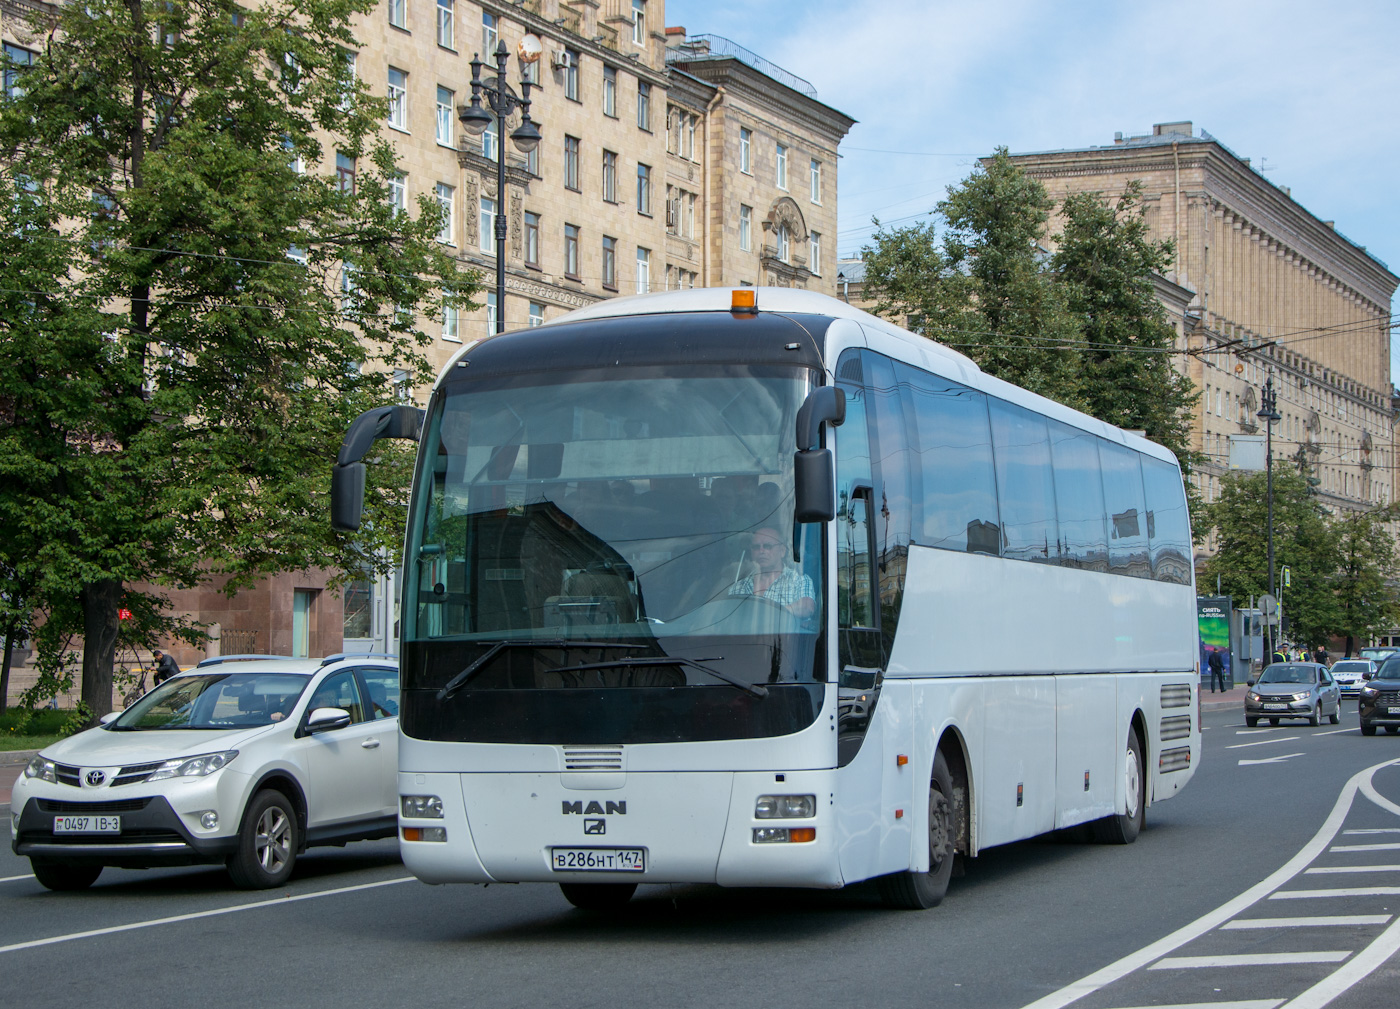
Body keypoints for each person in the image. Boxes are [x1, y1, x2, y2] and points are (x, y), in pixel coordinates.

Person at [729, 526, 815, 618]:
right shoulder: (739, 587)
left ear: (782, 551)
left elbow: (807, 608)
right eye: (756, 547)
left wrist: (768, 615)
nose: (761, 551)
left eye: (767, 546)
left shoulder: (799, 580)